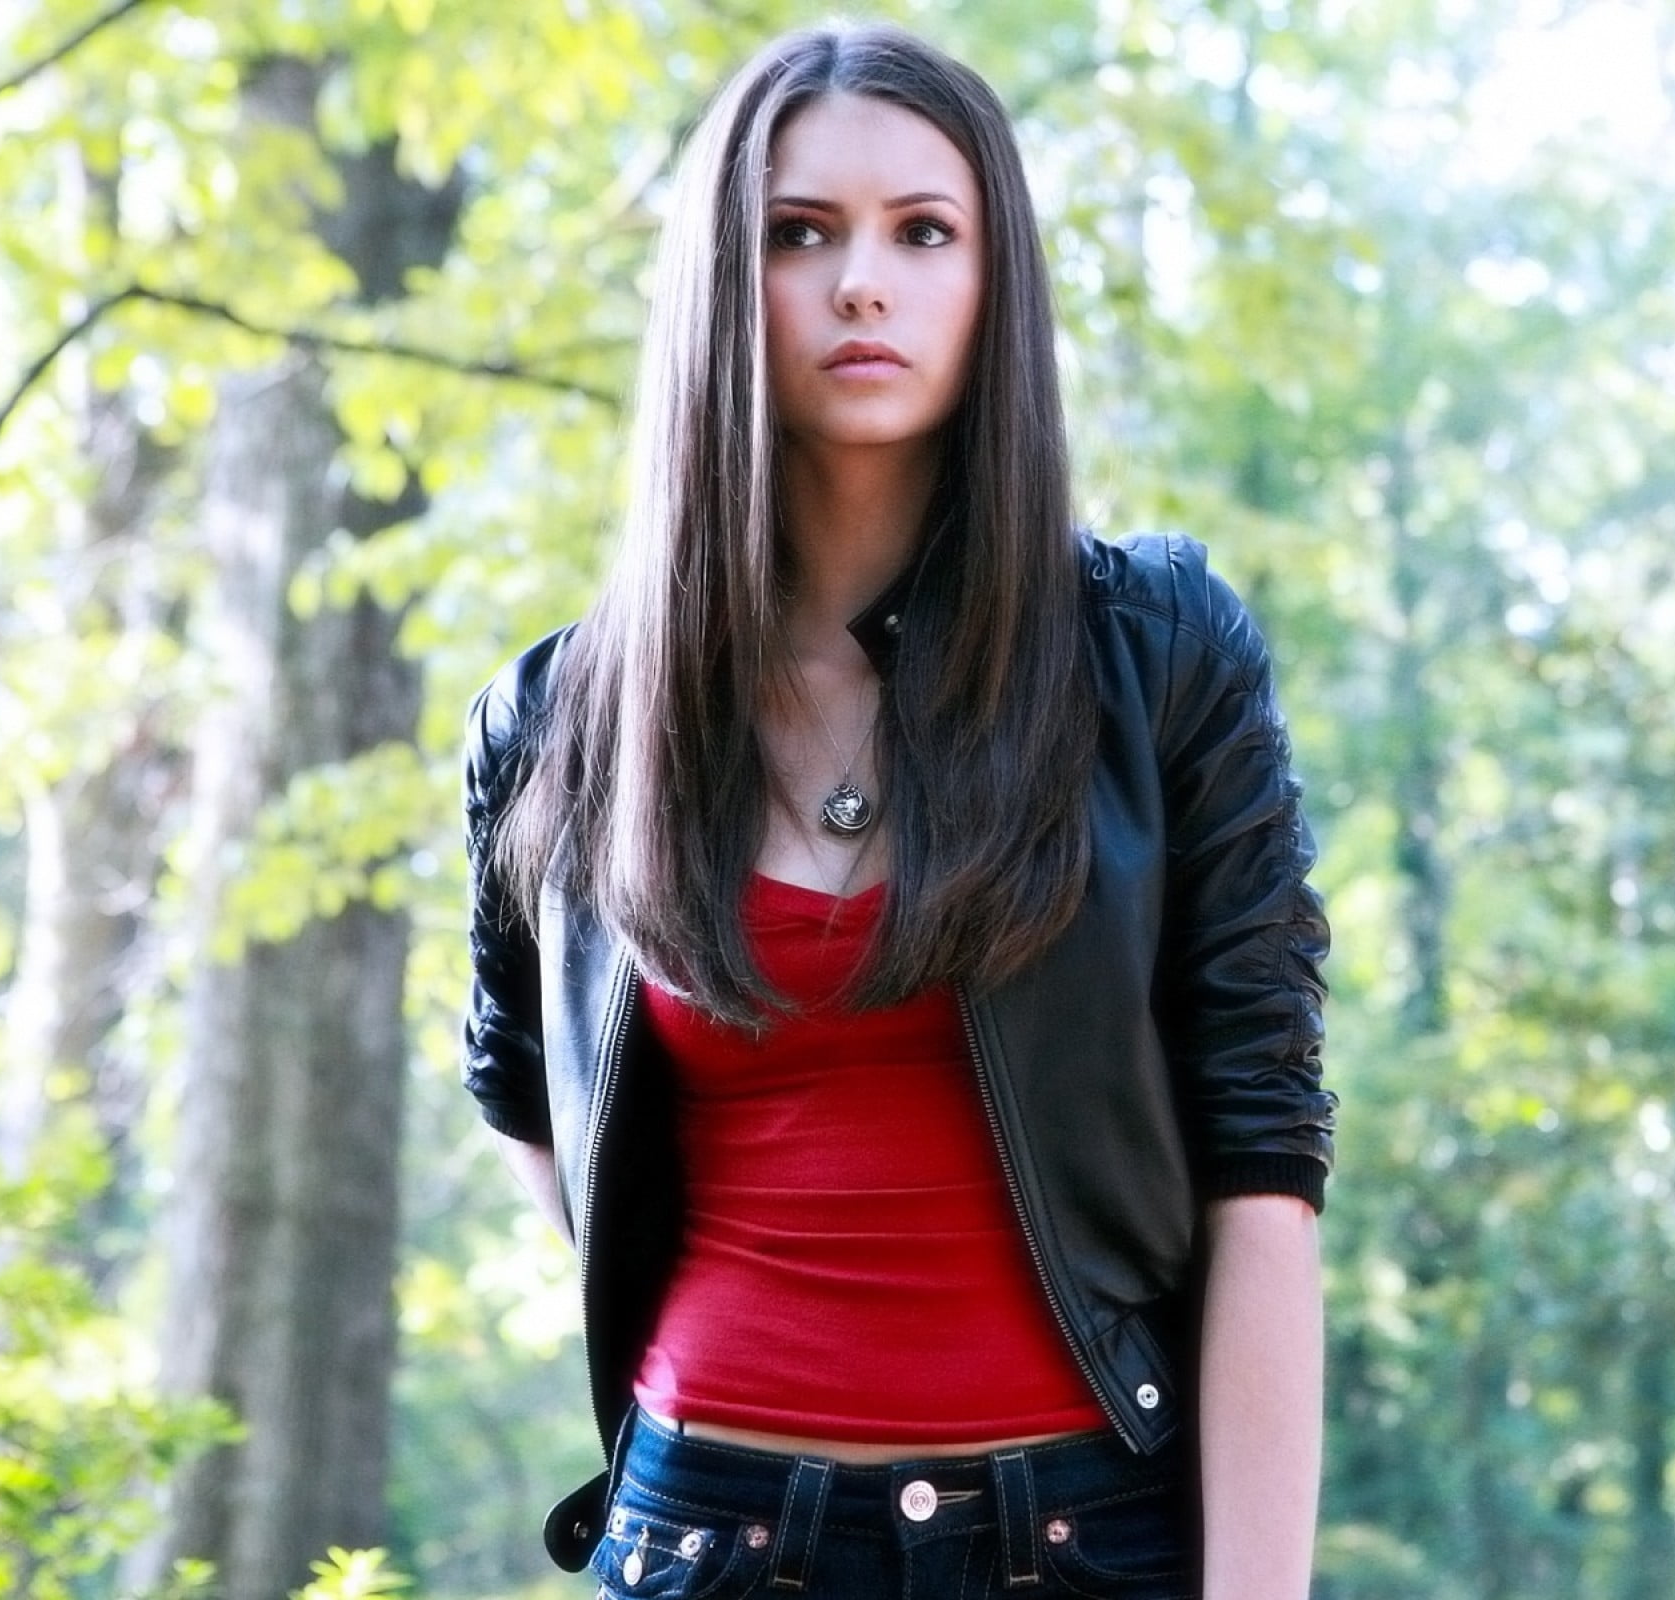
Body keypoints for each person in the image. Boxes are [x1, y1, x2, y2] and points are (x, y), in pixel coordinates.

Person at [457, 22, 1334, 1599]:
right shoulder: (559, 721)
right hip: (700, 1536)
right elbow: (525, 1090)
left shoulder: (1160, 664)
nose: (864, 282)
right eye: (800, 234)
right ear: (724, 286)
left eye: (924, 232)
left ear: (995, 283)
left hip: (1078, 1538)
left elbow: (1261, 1170)